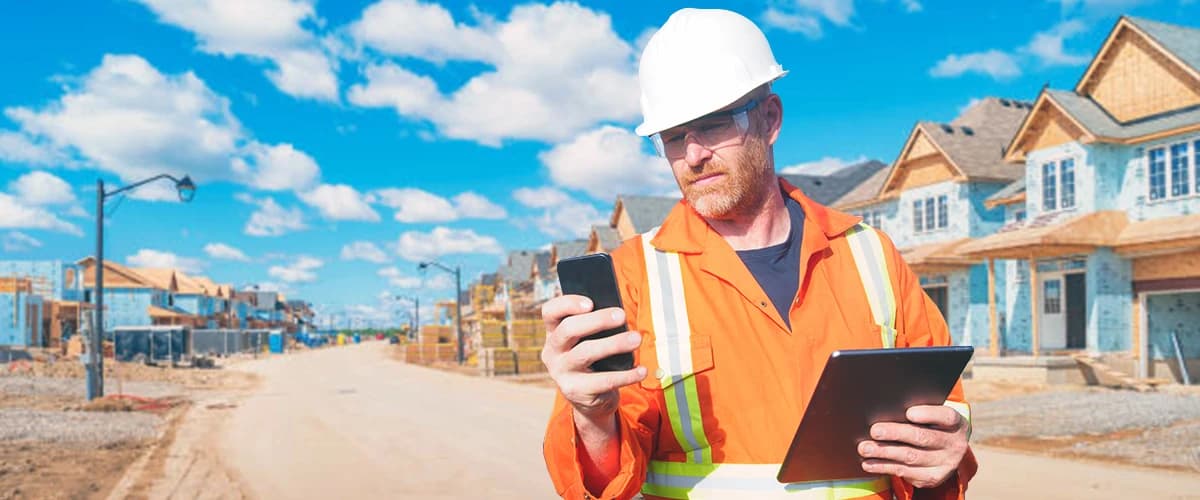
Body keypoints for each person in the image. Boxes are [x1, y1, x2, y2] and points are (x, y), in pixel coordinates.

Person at [540, 8, 975, 500]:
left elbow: (943, 412)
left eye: (713, 125)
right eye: (674, 137)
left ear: (770, 119)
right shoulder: (635, 276)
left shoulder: (870, 254)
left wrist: (942, 455)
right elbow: (602, 482)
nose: (693, 154)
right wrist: (594, 417)